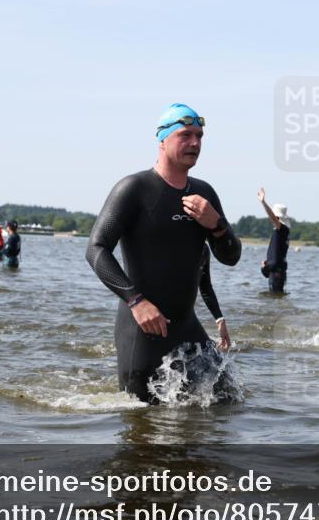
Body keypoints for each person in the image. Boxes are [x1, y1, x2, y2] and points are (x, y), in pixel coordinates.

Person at [86, 103, 241, 403]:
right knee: (141, 422)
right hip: (142, 330)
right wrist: (136, 301)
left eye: (199, 136)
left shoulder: (204, 193)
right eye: (185, 135)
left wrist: (217, 224)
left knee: (228, 403)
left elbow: (231, 257)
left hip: (187, 327)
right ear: (162, 140)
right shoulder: (134, 189)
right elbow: (95, 249)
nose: (195, 143)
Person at [257, 187, 290, 293]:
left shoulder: (282, 229)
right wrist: (266, 264)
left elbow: (271, 216)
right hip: (278, 272)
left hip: (277, 273)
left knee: (275, 296)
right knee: (277, 299)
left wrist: (263, 202)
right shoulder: (282, 231)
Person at [199, 245, 231, 350]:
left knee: (212, 357)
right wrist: (145, 304)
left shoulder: (203, 249)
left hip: (185, 317)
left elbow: (205, 287)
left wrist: (220, 320)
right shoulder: (169, 242)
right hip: (157, 316)